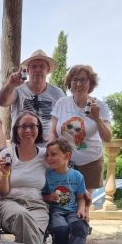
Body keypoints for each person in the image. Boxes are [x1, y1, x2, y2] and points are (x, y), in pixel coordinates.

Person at [50, 65, 112, 216]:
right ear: (70, 83)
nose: (78, 84)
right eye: (75, 79)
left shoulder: (100, 106)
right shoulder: (62, 103)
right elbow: (52, 132)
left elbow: (108, 138)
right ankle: (64, 236)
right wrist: (50, 152)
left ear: (90, 83)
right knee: (63, 203)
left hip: (89, 163)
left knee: (83, 208)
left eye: (83, 80)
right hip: (65, 163)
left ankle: (79, 236)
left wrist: (96, 118)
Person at [0, 112, 49, 244]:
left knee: (30, 235)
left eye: (32, 126)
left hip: (37, 206)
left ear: (39, 129)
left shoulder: (45, 155)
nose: (28, 130)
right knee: (22, 216)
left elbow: (63, 168)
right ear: (16, 130)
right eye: (23, 126)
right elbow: (2, 192)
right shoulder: (7, 154)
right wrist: (5, 174)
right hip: (9, 204)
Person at [0, 49, 65, 143]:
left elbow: (63, 119)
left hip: (47, 148)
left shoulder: (58, 93)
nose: (37, 70)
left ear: (48, 70)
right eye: (34, 66)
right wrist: (10, 84)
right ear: (28, 70)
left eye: (41, 66)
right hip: (21, 147)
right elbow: (2, 102)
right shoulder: (18, 89)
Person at [42, 138, 89, 244]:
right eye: (47, 155)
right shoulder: (47, 176)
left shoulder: (77, 176)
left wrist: (81, 210)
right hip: (56, 211)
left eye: (53, 154)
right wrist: (49, 197)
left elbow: (80, 198)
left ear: (67, 155)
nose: (49, 158)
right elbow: (42, 196)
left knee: (80, 227)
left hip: (73, 211)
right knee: (61, 229)